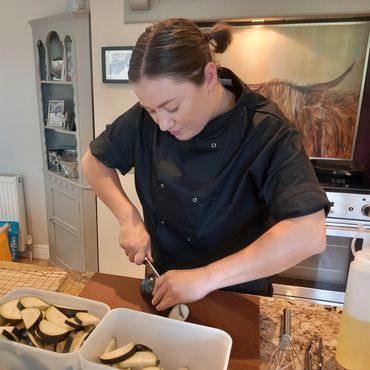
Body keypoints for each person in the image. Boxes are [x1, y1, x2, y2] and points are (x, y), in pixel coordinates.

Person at [81, 18, 330, 312]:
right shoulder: (148, 119)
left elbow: (309, 233)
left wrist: (205, 278)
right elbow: (93, 162)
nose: (162, 123)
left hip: (238, 296)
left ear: (209, 76)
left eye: (173, 107)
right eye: (150, 110)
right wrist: (128, 218)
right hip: (163, 284)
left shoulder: (266, 131)